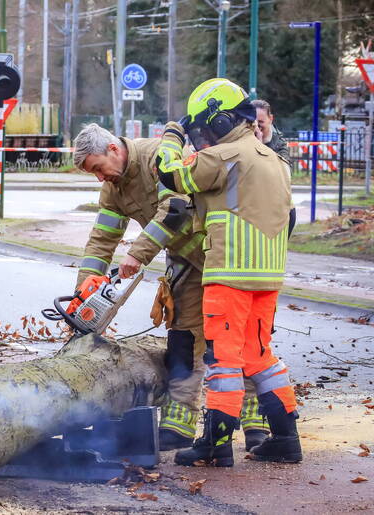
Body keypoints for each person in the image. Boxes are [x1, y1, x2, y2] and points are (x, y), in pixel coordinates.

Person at [71, 124, 266, 451]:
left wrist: (138, 253)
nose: (99, 178)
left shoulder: (157, 158)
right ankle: (178, 424)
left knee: (238, 338)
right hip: (185, 261)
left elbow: (175, 211)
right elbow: (102, 241)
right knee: (183, 338)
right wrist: (84, 292)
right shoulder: (114, 188)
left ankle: (256, 421)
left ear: (113, 151)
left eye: (97, 168)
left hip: (222, 255)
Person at [157, 78, 301, 467]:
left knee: (222, 359)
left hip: (229, 273)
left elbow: (170, 175)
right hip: (267, 276)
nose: (202, 138)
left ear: (220, 122)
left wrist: (171, 135)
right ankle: (286, 437)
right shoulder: (274, 160)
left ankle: (216, 443)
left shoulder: (224, 156)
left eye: (204, 128)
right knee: (259, 355)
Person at [251, 99, 290, 166]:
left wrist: (260, 147)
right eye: (252, 121)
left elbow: (286, 171)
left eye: (260, 122)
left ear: (270, 119)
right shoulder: (241, 138)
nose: (256, 126)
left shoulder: (279, 144)